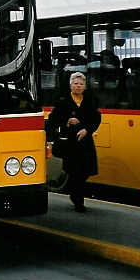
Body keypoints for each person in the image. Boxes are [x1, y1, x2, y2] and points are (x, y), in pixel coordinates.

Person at [47, 71, 101, 212]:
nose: (78, 86)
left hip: (85, 142)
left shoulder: (90, 100)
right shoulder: (63, 101)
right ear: (70, 85)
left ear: (85, 87)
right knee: (76, 171)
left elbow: (96, 119)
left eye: (81, 84)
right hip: (70, 143)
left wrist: (86, 130)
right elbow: (53, 120)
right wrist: (66, 121)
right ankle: (78, 201)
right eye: (75, 83)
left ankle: (74, 192)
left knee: (86, 171)